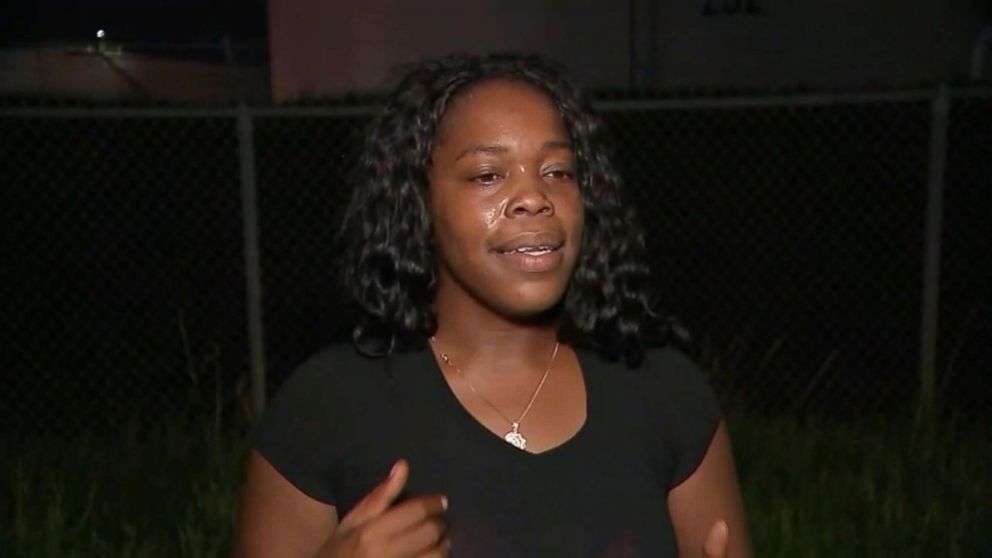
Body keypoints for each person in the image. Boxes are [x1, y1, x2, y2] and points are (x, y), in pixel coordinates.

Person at [234, 52, 750, 558]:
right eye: (487, 175)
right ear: (418, 202)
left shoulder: (667, 396)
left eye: (559, 172)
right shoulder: (328, 408)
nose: (533, 197)